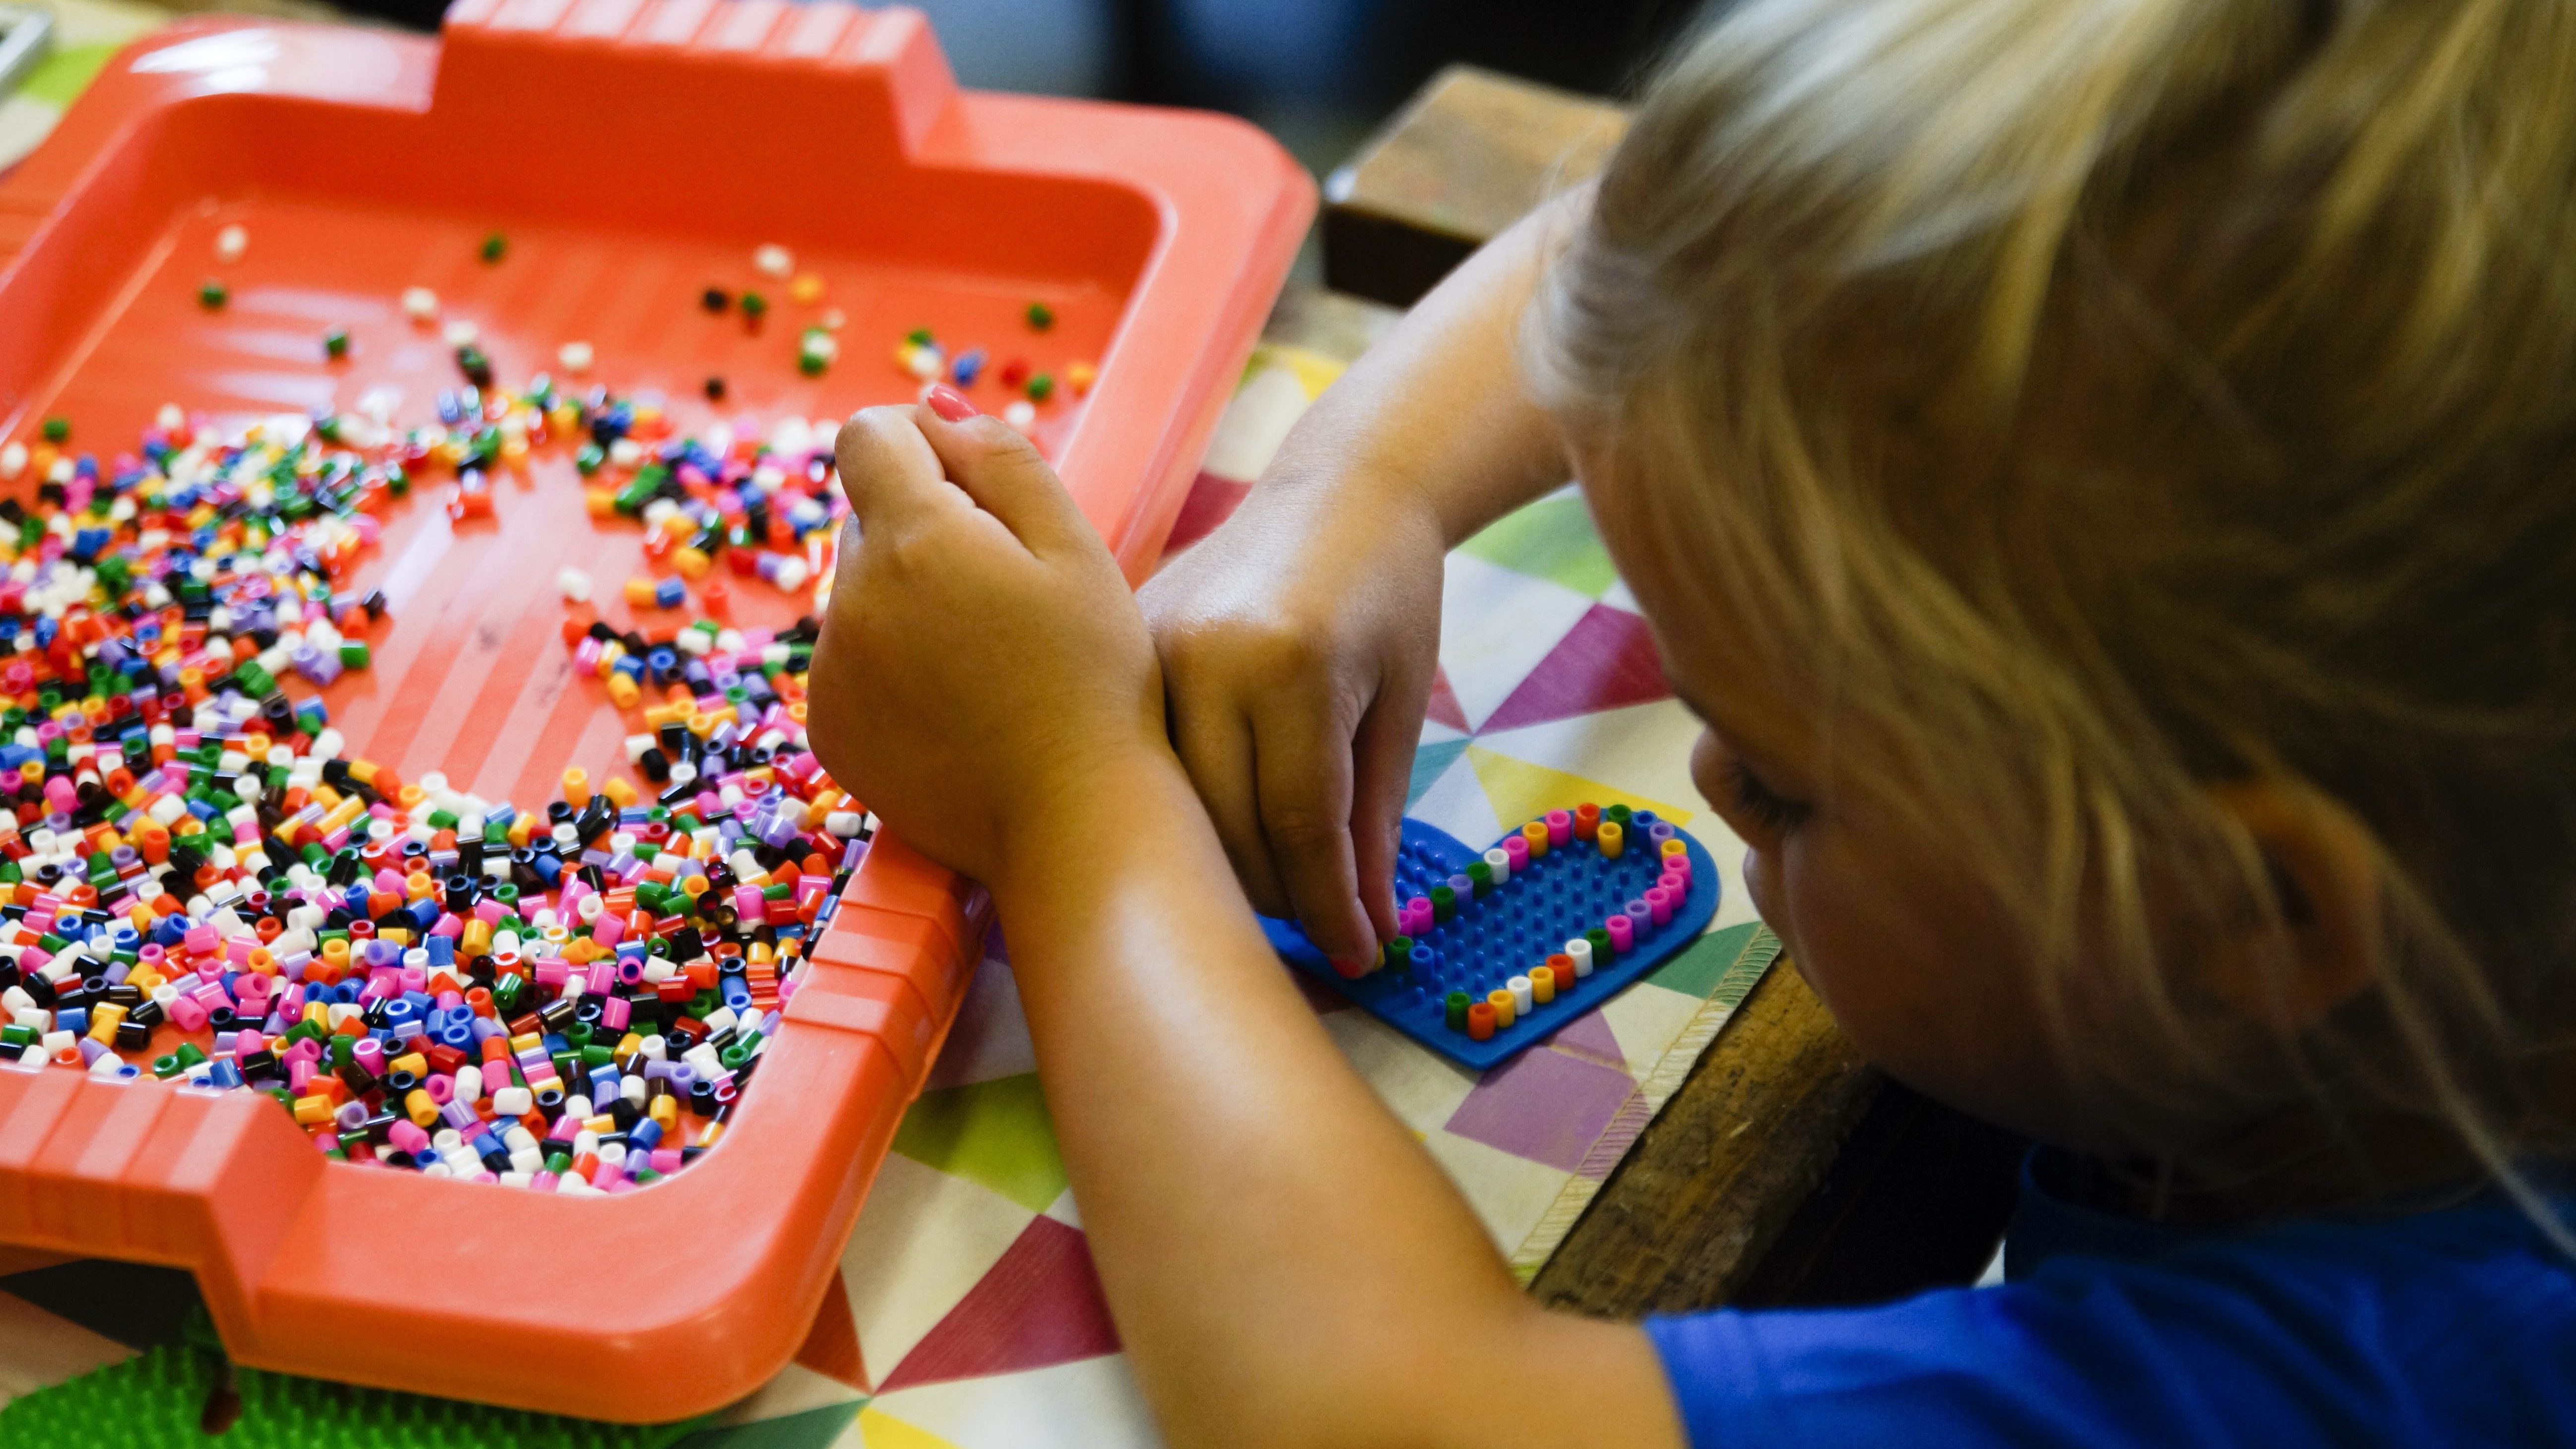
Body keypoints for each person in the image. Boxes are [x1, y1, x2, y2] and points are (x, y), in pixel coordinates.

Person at [803, 0, 2576, 1443]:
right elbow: (1653, 216)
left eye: (1791, 782)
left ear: (2251, 917)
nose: (1711, 774)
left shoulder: (2377, 1383)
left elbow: (1376, 1414)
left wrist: (1074, 802)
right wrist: (1357, 489)